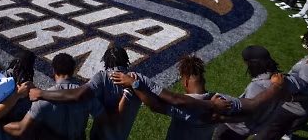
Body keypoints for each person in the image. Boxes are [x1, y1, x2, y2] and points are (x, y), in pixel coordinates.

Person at [29, 47, 231, 140]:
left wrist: (42, 93)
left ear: (106, 63)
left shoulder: (101, 76)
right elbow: (167, 99)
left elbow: (77, 96)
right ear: (126, 62)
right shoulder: (138, 79)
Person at [111, 54, 286, 140]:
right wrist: (276, 87)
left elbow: (157, 105)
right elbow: (254, 103)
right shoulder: (221, 100)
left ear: (185, 81)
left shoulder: (188, 108)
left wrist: (136, 85)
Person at [4, 53, 127, 139]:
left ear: (54, 72)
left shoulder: (41, 99)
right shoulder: (87, 97)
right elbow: (106, 121)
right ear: (73, 71)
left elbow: (21, 129)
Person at [213, 46, 308, 140]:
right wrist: (289, 97)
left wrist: (221, 117)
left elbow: (248, 113)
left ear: (247, 63)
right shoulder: (287, 80)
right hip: (255, 127)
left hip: (234, 129)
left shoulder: (257, 87)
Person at [252, 29, 308, 140]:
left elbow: (307, 90)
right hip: (299, 107)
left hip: (290, 107)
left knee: (267, 133)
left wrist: (288, 96)